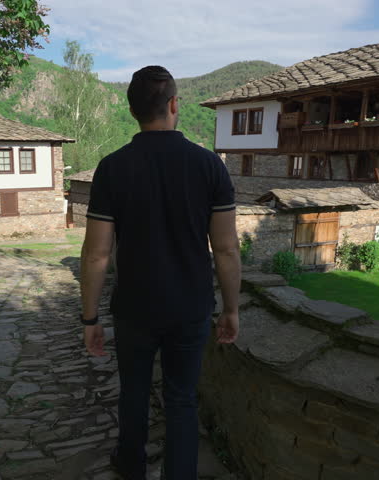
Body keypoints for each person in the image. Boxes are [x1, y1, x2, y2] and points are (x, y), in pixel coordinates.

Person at [79, 65, 242, 479]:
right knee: (182, 399)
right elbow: (225, 248)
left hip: (134, 307)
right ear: (173, 105)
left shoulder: (112, 168)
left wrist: (90, 317)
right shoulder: (209, 167)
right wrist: (231, 309)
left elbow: (96, 255)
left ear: (133, 110)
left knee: (133, 392)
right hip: (190, 307)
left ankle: (131, 466)